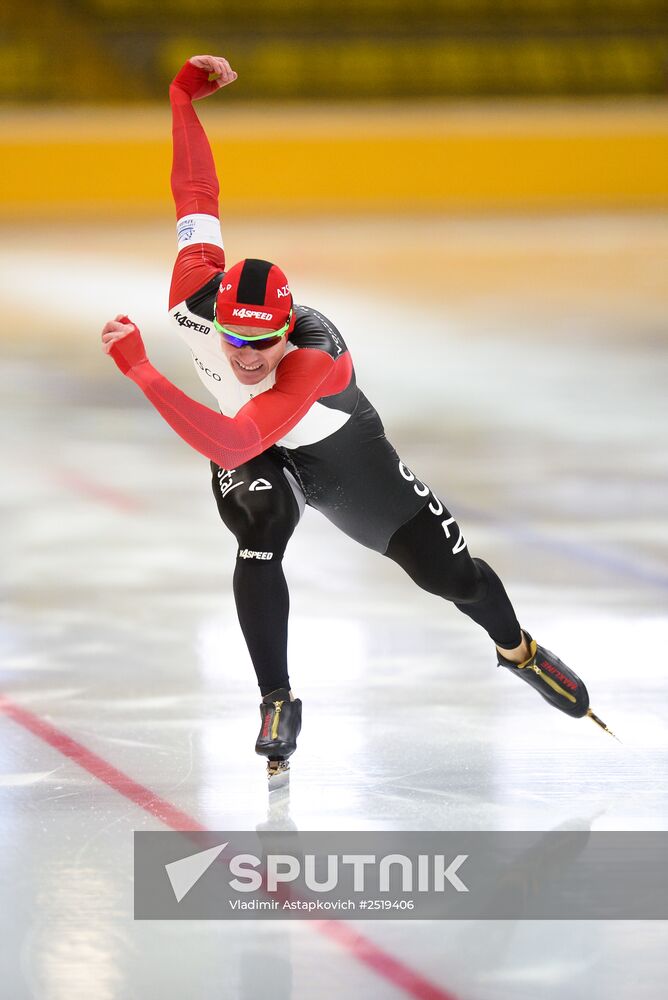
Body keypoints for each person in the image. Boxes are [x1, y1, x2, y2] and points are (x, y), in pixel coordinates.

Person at [101, 55, 615, 778]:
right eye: (233, 339)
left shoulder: (314, 359)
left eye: (264, 343)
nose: (247, 358)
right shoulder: (195, 292)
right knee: (262, 525)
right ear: (213, 314)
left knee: (455, 578)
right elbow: (195, 191)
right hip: (257, 450)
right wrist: (182, 97)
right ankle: (277, 699)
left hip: (344, 461)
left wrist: (142, 370)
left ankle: (517, 651)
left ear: (289, 328)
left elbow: (232, 431)